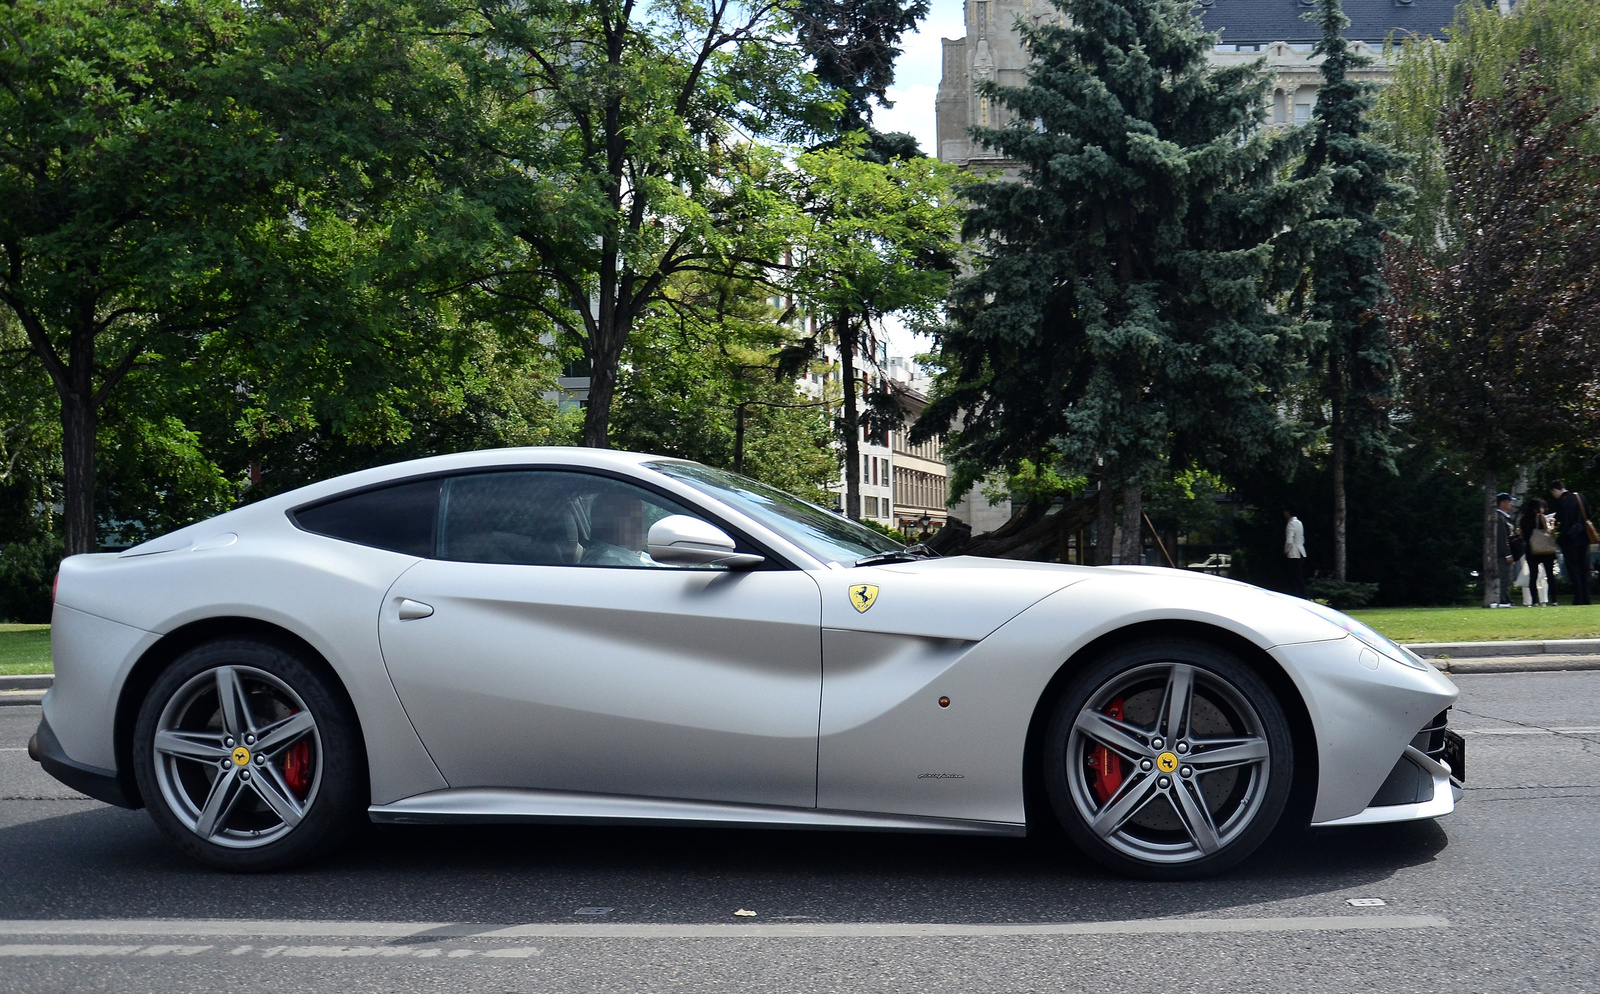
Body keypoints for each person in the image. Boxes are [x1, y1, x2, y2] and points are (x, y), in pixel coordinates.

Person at [581, 492, 658, 567]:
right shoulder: (616, 564)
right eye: (634, 519)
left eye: (642, 518)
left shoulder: (619, 554)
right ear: (610, 522)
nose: (643, 525)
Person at [1550, 481, 1594, 606]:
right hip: (1583, 538)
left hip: (1569, 539)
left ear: (1555, 490)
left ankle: (1578, 598)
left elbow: (1562, 520)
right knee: (1584, 568)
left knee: (1573, 569)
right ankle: (1587, 597)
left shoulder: (1562, 502)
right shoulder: (1579, 496)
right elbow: (1589, 514)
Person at [1520, 497, 1557, 606]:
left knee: (1533, 577)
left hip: (1531, 549)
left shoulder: (1523, 519)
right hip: (1545, 549)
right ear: (1537, 508)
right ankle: (1554, 600)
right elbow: (1548, 530)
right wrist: (1552, 523)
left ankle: (1534, 601)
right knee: (1550, 575)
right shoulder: (1540, 517)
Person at [1493, 492, 1515, 607]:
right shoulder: (1500, 517)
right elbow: (1502, 538)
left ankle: (1506, 598)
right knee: (1504, 577)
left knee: (1507, 577)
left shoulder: (1504, 517)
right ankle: (1503, 600)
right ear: (1502, 503)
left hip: (1504, 553)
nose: (1510, 504)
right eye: (1509, 502)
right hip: (1502, 554)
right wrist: (1507, 554)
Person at [1283, 505, 1306, 598]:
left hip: (1293, 553)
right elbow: (1302, 538)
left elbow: (1289, 541)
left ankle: (1295, 596)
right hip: (1301, 552)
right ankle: (1303, 596)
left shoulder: (1291, 524)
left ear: (1288, 512)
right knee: (1299, 578)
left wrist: (1286, 551)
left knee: (1293, 579)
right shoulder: (1299, 523)